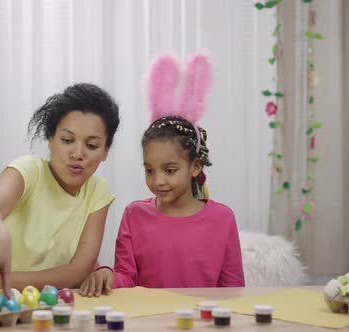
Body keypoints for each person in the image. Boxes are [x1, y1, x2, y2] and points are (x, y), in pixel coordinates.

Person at [79, 53, 244, 297]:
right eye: (149, 170)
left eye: (169, 170)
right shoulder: (134, 215)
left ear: (195, 167)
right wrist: (108, 274)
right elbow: (126, 277)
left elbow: (233, 290)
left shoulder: (223, 218)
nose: (157, 181)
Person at [0, 83, 120, 298]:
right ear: (50, 140)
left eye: (92, 145)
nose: (78, 153)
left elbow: (78, 271)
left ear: (106, 151)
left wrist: (4, 281)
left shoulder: (98, 192)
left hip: (48, 303)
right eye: (67, 140)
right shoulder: (29, 170)